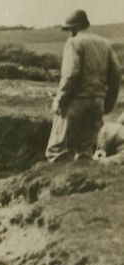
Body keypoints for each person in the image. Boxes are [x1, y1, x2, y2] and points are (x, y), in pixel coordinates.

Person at [47, 10, 120, 162]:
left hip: (76, 102)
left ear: (73, 29)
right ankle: (81, 183)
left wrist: (59, 101)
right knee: (84, 152)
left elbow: (70, 74)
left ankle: (57, 182)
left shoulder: (74, 42)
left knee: (57, 151)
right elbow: (116, 75)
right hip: (97, 103)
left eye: (68, 30)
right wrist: (108, 103)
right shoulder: (105, 43)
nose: (68, 34)